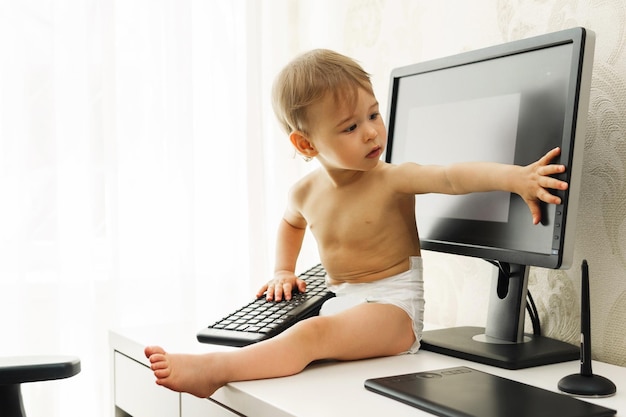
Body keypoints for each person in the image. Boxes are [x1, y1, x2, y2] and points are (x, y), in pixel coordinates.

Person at [144, 49, 568, 398]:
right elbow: (291, 224)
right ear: (306, 143)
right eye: (350, 126)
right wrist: (282, 270)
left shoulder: (392, 179)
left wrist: (516, 178)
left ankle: (215, 370)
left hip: (395, 310)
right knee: (311, 335)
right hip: (342, 300)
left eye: (373, 114)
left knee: (311, 336)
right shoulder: (304, 193)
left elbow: (451, 176)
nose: (371, 133)